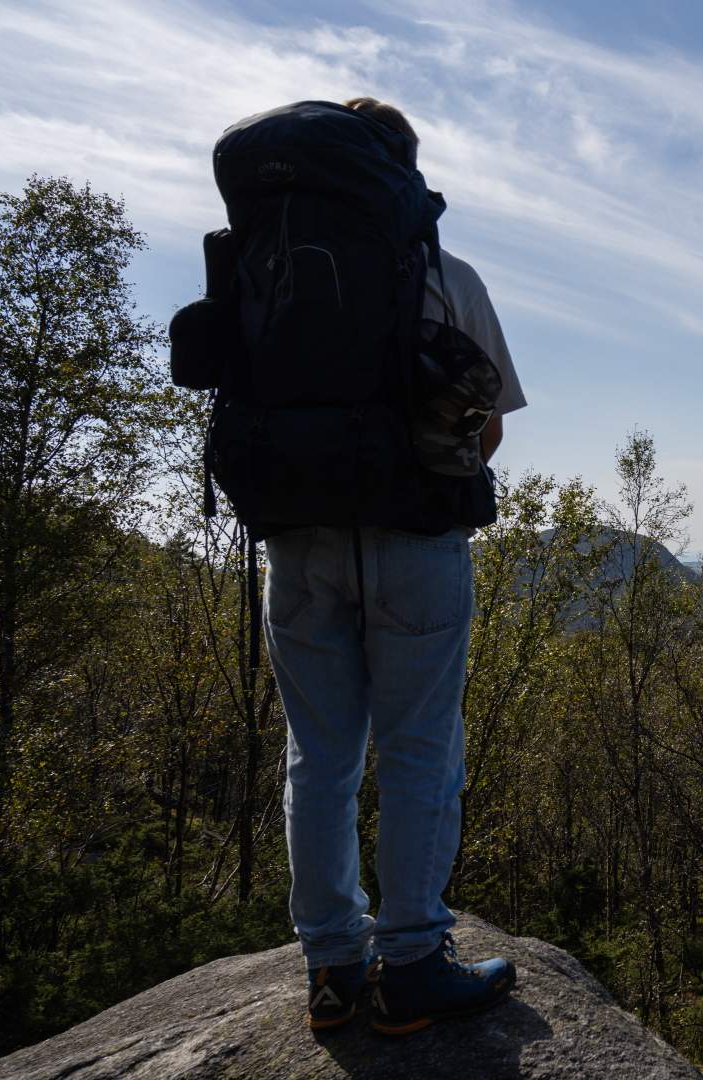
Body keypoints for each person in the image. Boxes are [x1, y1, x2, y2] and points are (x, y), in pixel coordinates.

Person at [264, 97, 529, 1035]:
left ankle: (332, 970)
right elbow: (488, 422)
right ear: (405, 174)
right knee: (420, 751)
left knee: (318, 758)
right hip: (414, 541)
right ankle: (414, 960)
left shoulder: (273, 270)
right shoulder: (442, 274)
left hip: (295, 543)